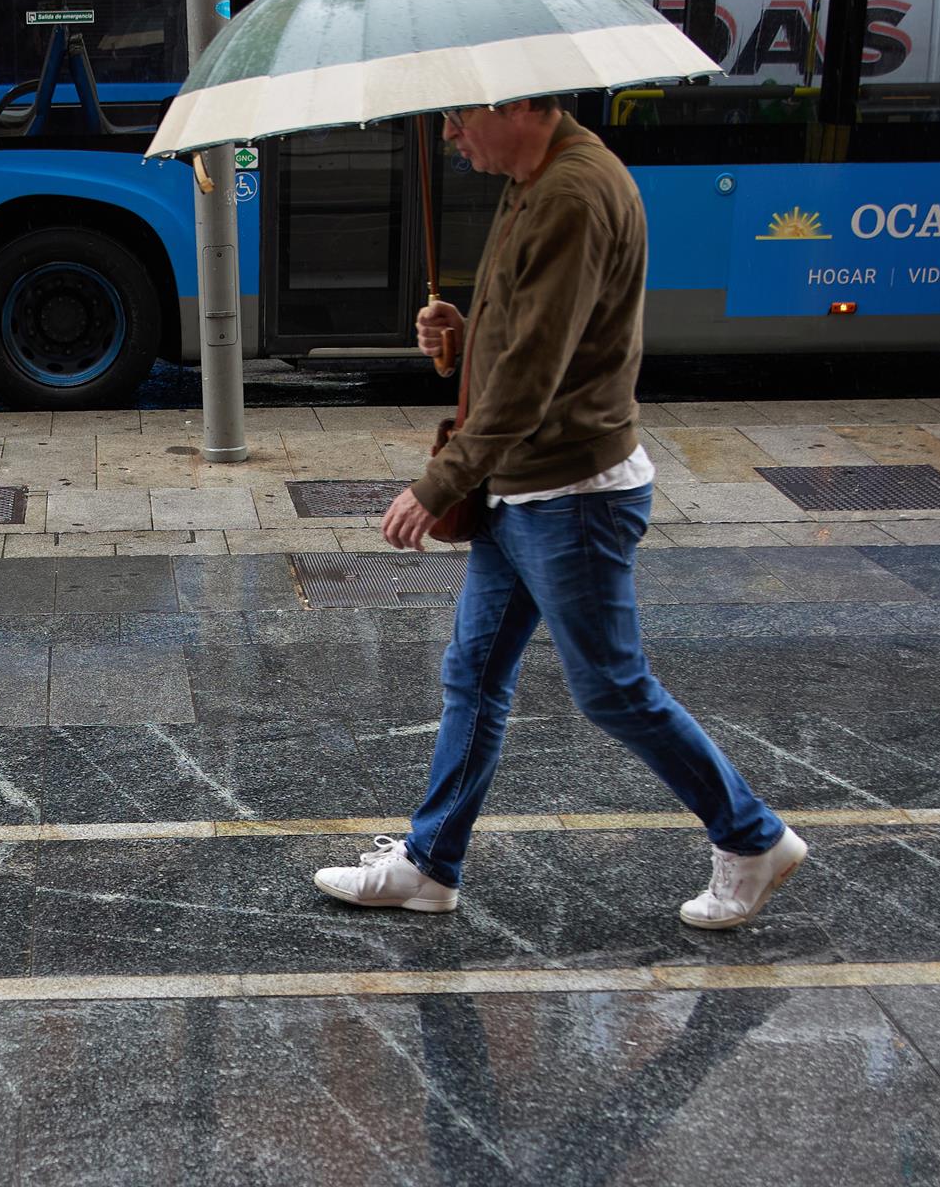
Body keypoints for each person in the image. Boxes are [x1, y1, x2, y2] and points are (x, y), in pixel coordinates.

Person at [313, 96, 806, 930]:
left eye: (460, 116)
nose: (448, 133)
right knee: (473, 673)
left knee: (612, 688)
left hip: (571, 495)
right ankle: (431, 865)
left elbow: (535, 379)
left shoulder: (575, 194)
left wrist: (438, 484)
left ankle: (752, 837)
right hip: (526, 487)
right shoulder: (535, 180)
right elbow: (542, 339)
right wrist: (462, 339)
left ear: (515, 104)